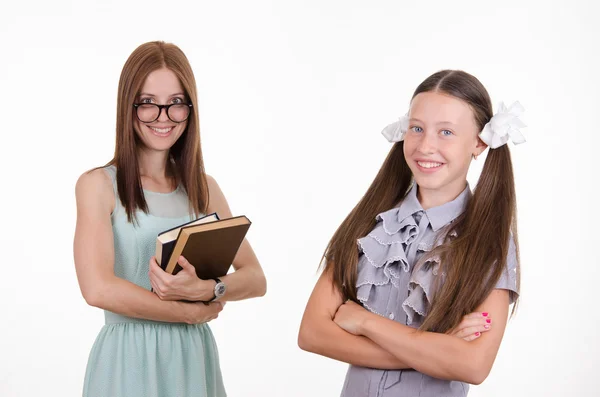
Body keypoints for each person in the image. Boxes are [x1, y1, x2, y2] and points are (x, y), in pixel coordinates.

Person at [298, 69, 523, 396]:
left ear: (478, 143)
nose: (426, 145)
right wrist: (437, 350)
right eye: (417, 128)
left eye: (446, 132)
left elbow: (473, 365)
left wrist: (365, 323)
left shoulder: (490, 242)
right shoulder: (369, 224)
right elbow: (312, 333)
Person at [73, 41, 267, 397]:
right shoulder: (98, 185)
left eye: (176, 103)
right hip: (128, 358)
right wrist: (186, 312)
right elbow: (97, 288)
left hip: (192, 357)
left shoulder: (203, 189)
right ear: (128, 108)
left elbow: (256, 279)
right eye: (148, 103)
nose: (163, 117)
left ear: (190, 109)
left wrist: (208, 290)